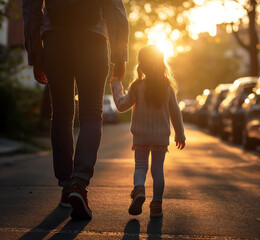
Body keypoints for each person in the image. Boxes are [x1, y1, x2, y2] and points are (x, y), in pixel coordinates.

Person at [22, 0, 129, 219]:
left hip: (55, 40)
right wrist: (120, 55)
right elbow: (115, 7)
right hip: (93, 39)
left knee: (61, 114)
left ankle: (66, 187)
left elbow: (31, 7)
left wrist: (36, 55)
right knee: (91, 113)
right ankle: (79, 184)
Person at [111, 45, 186, 218]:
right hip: (160, 136)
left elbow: (121, 106)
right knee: (158, 170)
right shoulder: (167, 87)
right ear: (161, 63)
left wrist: (116, 85)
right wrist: (180, 134)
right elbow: (176, 112)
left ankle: (139, 190)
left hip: (141, 135)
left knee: (140, 166)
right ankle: (157, 205)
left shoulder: (137, 86)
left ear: (141, 65)